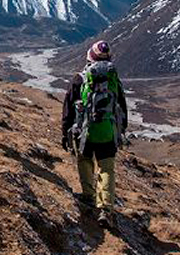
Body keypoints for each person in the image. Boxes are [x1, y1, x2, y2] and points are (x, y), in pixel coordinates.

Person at [61, 40, 128, 228]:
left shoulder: (79, 79)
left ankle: (89, 196)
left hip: (85, 132)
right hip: (107, 131)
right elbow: (121, 107)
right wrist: (120, 130)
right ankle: (106, 209)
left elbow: (68, 108)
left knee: (84, 160)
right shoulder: (114, 81)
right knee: (106, 169)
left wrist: (65, 131)